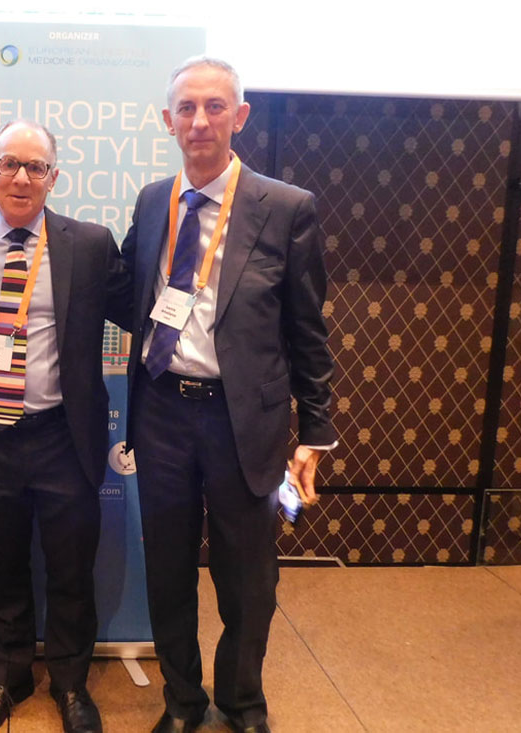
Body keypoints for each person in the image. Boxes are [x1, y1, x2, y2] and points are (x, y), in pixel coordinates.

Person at [121, 57, 337, 733]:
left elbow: (307, 328)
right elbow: (128, 293)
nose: (200, 121)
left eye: (215, 107)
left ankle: (242, 701)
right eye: (186, 108)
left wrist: (316, 430)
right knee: (167, 568)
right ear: (168, 121)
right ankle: (182, 701)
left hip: (243, 419)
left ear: (240, 116)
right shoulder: (153, 201)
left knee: (248, 577)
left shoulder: (287, 208)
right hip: (161, 411)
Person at [0, 120, 131, 733]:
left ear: (54, 177)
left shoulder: (90, 244)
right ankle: (10, 677)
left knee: (71, 567)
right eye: (10, 163)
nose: (22, 178)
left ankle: (71, 684)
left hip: (63, 436)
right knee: (2, 565)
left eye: (36, 167)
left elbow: (142, 308)